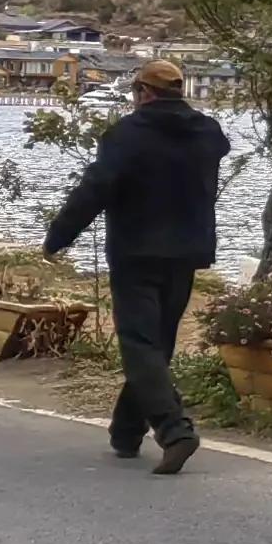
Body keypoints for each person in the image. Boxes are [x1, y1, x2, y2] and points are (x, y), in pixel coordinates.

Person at [43, 56, 231, 475]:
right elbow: (218, 152)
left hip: (136, 251)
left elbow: (95, 189)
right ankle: (126, 431)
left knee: (140, 345)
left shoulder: (128, 135)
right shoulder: (208, 133)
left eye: (134, 93)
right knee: (156, 344)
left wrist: (59, 237)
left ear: (143, 94)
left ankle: (175, 430)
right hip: (186, 252)